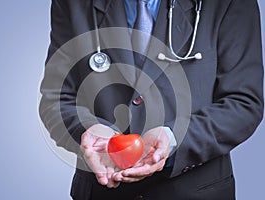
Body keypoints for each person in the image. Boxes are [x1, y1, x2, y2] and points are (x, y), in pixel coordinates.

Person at [39, 0, 264, 199]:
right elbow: (56, 98)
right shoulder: (72, 3)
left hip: (195, 191)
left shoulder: (231, 3)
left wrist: (174, 137)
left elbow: (244, 102)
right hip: (103, 191)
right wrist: (88, 130)